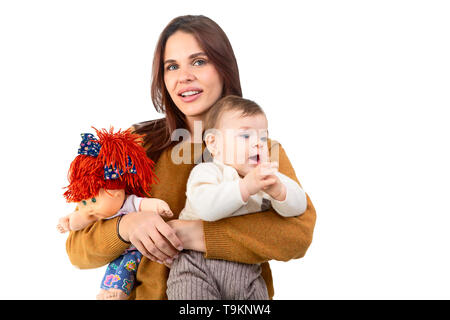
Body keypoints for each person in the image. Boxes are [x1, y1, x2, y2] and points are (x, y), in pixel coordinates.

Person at [65, 15, 316, 300]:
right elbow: (77, 248)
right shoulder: (135, 144)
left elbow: (297, 236)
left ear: (224, 68)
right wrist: (126, 226)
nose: (184, 76)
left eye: (199, 61)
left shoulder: (259, 150)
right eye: (172, 66)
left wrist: (193, 235)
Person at [166, 95, 308, 299]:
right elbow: (208, 208)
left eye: (262, 138)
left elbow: (299, 206)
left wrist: (279, 190)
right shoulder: (208, 172)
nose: (258, 145)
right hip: (195, 266)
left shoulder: (265, 178)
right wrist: (246, 186)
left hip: (247, 269)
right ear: (214, 144)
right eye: (245, 136)